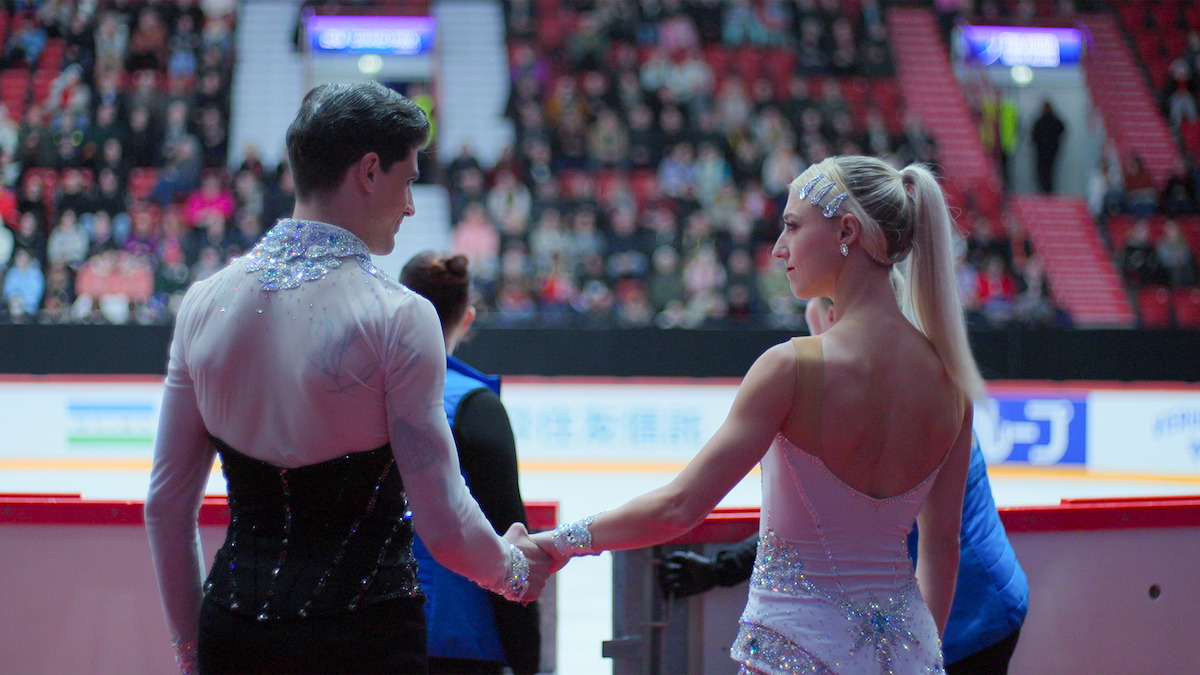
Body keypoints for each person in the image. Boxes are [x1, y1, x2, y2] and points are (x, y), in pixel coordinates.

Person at [145, 81, 548, 675]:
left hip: (234, 630)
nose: (411, 205)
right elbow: (443, 522)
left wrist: (190, 647)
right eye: (408, 179)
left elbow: (166, 507)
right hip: (365, 640)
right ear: (369, 171)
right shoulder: (399, 316)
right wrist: (514, 571)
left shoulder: (205, 302)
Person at [533, 156, 984, 673]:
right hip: (912, 656)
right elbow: (943, 547)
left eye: (792, 226)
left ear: (847, 231)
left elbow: (680, 507)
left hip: (794, 654)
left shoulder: (791, 368)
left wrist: (558, 542)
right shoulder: (951, 385)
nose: (777, 248)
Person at [659, 296, 1028, 674]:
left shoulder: (888, 399)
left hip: (969, 617)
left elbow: (826, 529)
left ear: (839, 317)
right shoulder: (922, 374)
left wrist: (721, 569)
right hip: (987, 599)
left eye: (816, 332)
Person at [400, 251, 542, 675]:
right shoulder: (473, 405)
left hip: (367, 632)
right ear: (467, 316)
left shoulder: (357, 391)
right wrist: (526, 657)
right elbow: (508, 533)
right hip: (459, 638)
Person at [1031, 100, 1065, 194]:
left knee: (1042, 171)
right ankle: (1049, 190)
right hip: (1052, 149)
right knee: (1050, 170)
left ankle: (1045, 190)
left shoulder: (1040, 120)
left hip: (1042, 150)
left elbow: (1034, 135)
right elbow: (1063, 129)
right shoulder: (1055, 119)